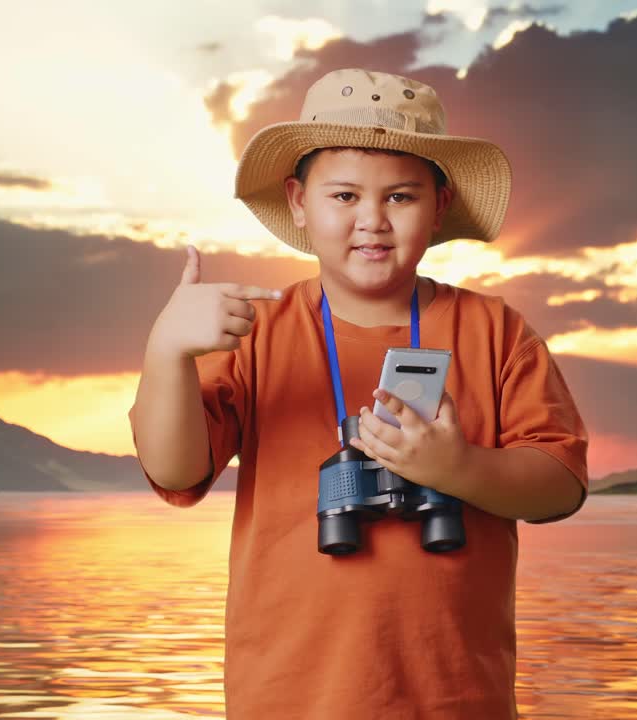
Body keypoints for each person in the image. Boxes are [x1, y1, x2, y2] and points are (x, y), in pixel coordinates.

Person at [129, 67, 588, 719]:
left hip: (456, 699)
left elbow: (562, 483)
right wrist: (167, 352)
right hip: (290, 699)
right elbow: (175, 471)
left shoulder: (495, 330)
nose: (372, 220)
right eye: (343, 196)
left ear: (439, 205)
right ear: (298, 201)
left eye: (400, 197)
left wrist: (457, 470)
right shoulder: (259, 330)